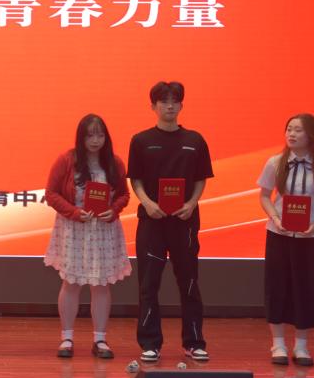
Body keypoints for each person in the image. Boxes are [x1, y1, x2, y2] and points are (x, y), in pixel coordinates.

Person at [127, 81, 213, 363]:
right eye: (164, 101)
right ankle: (150, 343)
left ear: (181, 105)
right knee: (148, 284)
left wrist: (192, 203)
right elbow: (135, 179)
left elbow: (201, 178)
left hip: (184, 221)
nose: (170, 106)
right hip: (152, 221)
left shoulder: (195, 140)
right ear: (153, 106)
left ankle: (194, 342)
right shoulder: (140, 140)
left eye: (175, 101)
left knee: (189, 282)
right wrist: (147, 203)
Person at [257, 114, 314, 366]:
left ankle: (302, 346)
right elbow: (264, 195)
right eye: (289, 129)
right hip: (279, 233)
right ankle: (278, 344)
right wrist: (275, 218)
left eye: (298, 130)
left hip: (310, 236)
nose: (291, 134)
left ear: (311, 135)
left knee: (306, 287)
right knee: (277, 286)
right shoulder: (275, 162)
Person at [44, 114, 131, 360]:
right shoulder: (66, 160)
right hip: (74, 230)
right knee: (70, 283)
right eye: (90, 135)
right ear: (81, 138)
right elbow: (51, 193)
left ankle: (100, 339)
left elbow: (124, 194)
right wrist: (74, 212)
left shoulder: (114, 163)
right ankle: (67, 338)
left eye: (100, 135)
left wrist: (113, 210)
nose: (95, 140)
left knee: (101, 285)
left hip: (103, 231)